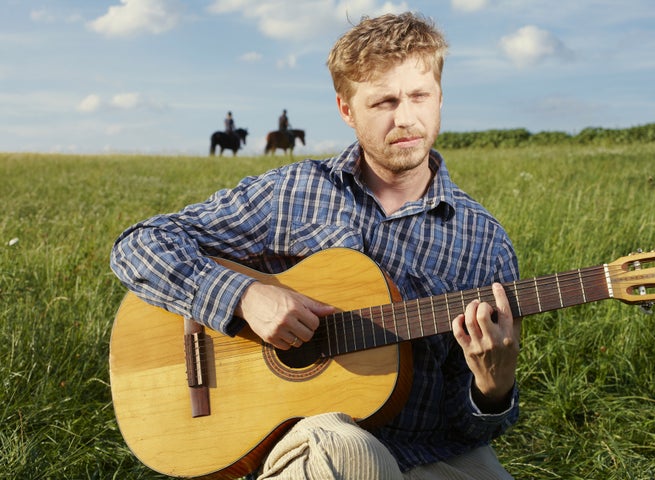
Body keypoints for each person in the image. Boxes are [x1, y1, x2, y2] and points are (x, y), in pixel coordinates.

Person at [110, 11, 521, 480]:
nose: (405, 117)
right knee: (346, 453)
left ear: (440, 98)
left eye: (419, 96)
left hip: (426, 452)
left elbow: (471, 428)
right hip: (313, 444)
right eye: (383, 101)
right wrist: (245, 297)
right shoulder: (294, 191)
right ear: (346, 110)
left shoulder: (485, 241)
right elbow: (140, 244)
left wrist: (493, 387)